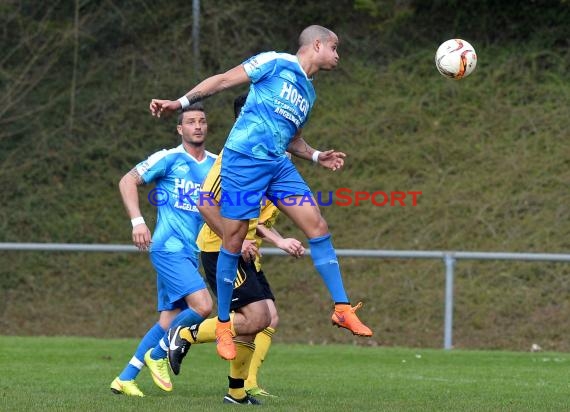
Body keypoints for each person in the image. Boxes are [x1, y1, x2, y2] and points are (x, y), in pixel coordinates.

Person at [149, 24, 373, 362]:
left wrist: (315, 155)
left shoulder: (308, 94)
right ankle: (223, 324)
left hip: (277, 167)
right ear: (317, 45)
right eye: (335, 47)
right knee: (234, 240)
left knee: (317, 226)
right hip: (243, 162)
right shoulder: (275, 63)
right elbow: (223, 80)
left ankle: (341, 307)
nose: (338, 55)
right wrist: (178, 102)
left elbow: (291, 137)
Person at [166, 94, 304, 404]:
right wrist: (238, 239)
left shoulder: (271, 155)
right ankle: (186, 334)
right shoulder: (234, 156)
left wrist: (272, 238)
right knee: (255, 317)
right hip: (221, 249)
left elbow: (259, 211)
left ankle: (237, 390)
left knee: (267, 316)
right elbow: (205, 203)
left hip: (244, 249)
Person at [110, 103, 217, 397]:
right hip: (168, 248)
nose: (198, 126)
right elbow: (127, 179)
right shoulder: (168, 158)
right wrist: (137, 222)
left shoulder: (216, 164)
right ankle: (158, 354)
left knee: (168, 320)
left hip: (190, 252)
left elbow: (229, 207)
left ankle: (125, 378)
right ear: (180, 129)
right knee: (203, 306)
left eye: (202, 121)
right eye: (191, 122)